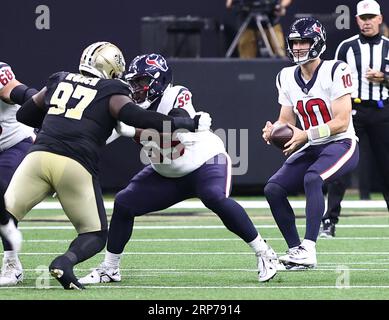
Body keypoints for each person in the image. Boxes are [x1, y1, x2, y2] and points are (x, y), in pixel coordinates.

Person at [0, 42, 212, 290]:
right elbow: (139, 117)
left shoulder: (59, 79)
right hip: (74, 164)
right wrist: (187, 123)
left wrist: (56, 117)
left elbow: (25, 115)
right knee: (95, 235)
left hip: (37, 156)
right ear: (111, 68)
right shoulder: (112, 89)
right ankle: (64, 262)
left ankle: (12, 266)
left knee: (8, 214)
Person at [79, 53, 280, 285]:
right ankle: (110, 269)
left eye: (142, 82)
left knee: (214, 197)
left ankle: (264, 253)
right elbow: (99, 137)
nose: (136, 88)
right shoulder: (127, 105)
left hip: (205, 162)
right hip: (167, 172)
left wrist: (131, 131)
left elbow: (174, 130)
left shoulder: (176, 94)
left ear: (159, 81)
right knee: (124, 203)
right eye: (133, 82)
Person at [262, 17, 359, 269]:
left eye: (304, 42)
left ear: (317, 43)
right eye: (294, 43)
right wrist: (274, 130)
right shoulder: (285, 76)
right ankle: (296, 252)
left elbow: (341, 121)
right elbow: (286, 121)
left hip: (341, 143)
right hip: (312, 146)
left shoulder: (336, 70)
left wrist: (306, 135)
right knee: (273, 188)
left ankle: (309, 247)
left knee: (313, 178)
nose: (298, 48)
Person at [320, 0, 389, 238]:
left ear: (380, 18)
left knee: (386, 168)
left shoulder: (388, 47)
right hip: (353, 112)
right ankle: (329, 221)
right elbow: (330, 80)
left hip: (382, 112)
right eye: (363, 17)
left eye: (371, 17)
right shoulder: (346, 47)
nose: (367, 21)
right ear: (357, 20)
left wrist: (385, 77)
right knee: (340, 167)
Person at [0, 63, 37, 286]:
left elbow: (16, 91)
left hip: (15, 144)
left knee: (3, 191)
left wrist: (38, 101)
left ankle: (12, 265)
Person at [226, 0, 292, 58]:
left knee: (279, 53)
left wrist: (281, 6)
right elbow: (229, 4)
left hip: (271, 21)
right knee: (246, 55)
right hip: (248, 22)